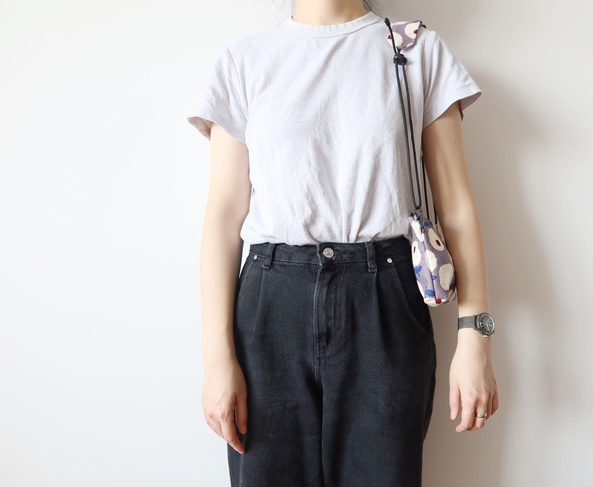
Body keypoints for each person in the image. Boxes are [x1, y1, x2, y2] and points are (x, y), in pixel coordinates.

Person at [186, 1, 499, 485]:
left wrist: (475, 336)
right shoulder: (243, 62)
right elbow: (224, 218)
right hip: (270, 310)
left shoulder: (416, 50)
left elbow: (456, 207)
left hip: (384, 305)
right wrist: (216, 358)